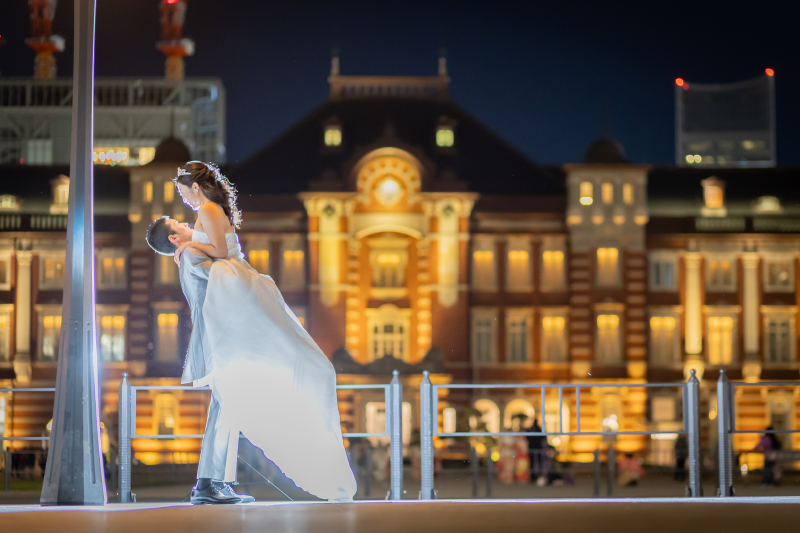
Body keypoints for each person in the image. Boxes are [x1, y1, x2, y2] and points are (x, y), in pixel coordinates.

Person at [146, 161, 356, 504]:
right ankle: (210, 485)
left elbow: (220, 273)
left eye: (184, 197)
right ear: (173, 237)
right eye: (180, 224)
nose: (186, 219)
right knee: (228, 403)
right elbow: (217, 284)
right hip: (230, 337)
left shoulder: (194, 246)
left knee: (227, 404)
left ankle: (212, 484)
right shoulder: (192, 251)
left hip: (231, 336)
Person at [525, 418, 545, 483]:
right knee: (536, 463)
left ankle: (535, 477)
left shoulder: (532, 429)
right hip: (536, 447)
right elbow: (543, 437)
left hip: (533, 447)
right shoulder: (538, 429)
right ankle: (536, 476)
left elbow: (527, 437)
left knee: (534, 463)